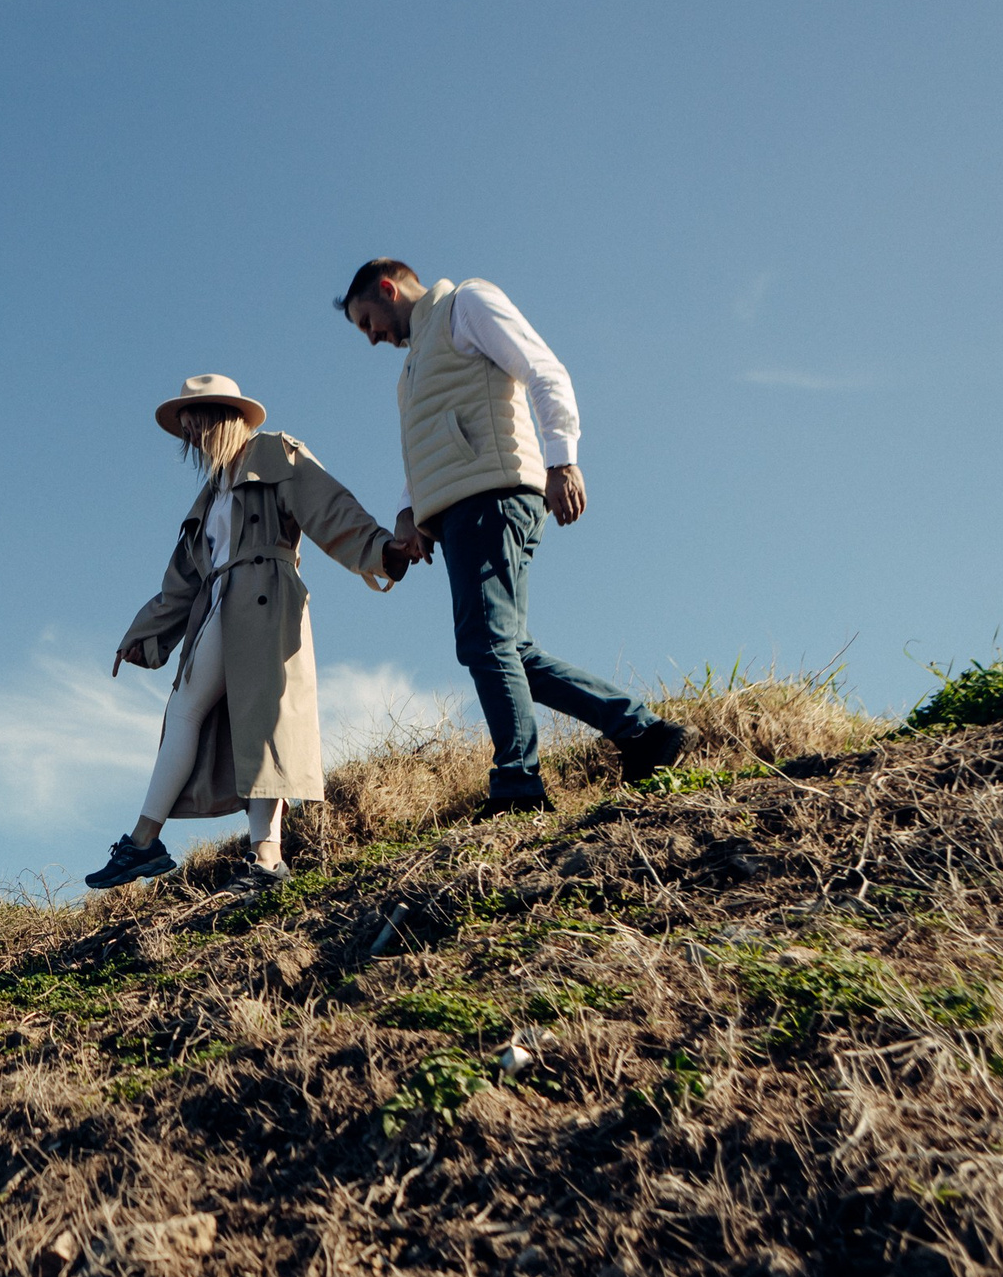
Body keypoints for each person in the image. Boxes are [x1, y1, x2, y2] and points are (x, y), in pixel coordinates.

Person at [335, 260, 685, 813]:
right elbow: (423, 451)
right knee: (508, 649)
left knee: (484, 644)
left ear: (388, 288)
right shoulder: (411, 372)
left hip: (492, 499)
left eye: (367, 321)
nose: (372, 337)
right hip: (461, 512)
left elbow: (544, 369)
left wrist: (562, 460)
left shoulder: (464, 305)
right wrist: (409, 514)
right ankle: (643, 733)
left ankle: (519, 787)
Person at [87, 375, 415, 893]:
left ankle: (261, 857)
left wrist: (380, 549)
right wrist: (142, 636)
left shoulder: (275, 454)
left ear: (221, 419)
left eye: (197, 426)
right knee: (186, 711)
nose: (192, 439)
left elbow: (329, 506)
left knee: (264, 723)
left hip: (266, 597)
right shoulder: (210, 494)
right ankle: (146, 844)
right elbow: (183, 581)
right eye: (188, 431)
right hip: (219, 603)